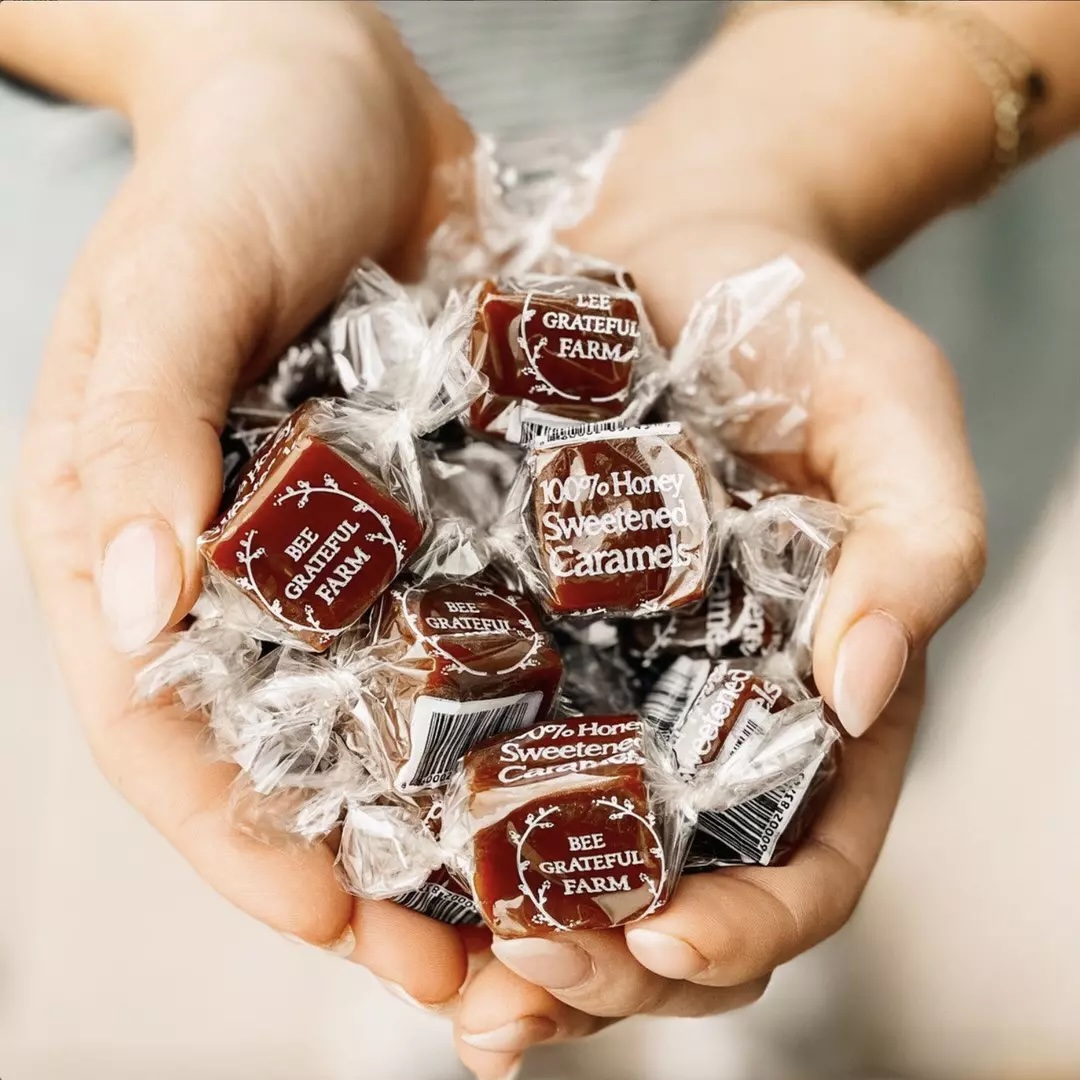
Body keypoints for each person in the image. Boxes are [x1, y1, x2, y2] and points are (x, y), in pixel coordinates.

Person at [2, 3, 1079, 1079]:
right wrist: (227, 49)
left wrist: (791, 150)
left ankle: (710, 900)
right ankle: (465, 919)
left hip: (862, 155)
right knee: (421, 897)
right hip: (240, 190)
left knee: (851, 662)